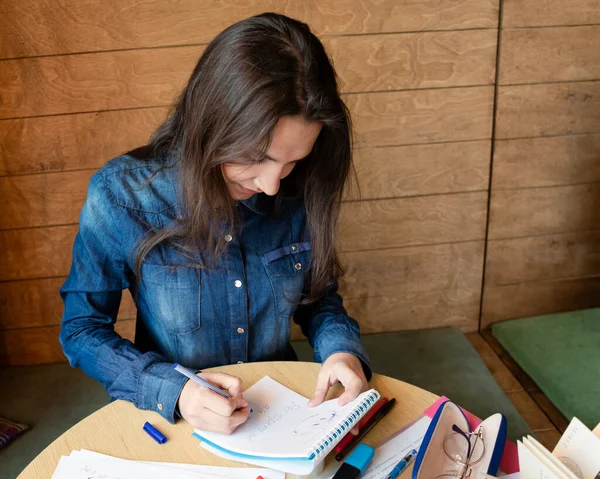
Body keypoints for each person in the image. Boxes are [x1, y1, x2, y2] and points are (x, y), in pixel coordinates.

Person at [60, 12, 371, 435]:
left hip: (286, 414)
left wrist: (340, 352)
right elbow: (82, 330)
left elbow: (318, 300)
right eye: (255, 157)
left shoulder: (298, 188)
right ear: (211, 127)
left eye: (293, 161)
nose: (271, 184)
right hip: (173, 417)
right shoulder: (123, 196)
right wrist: (175, 391)